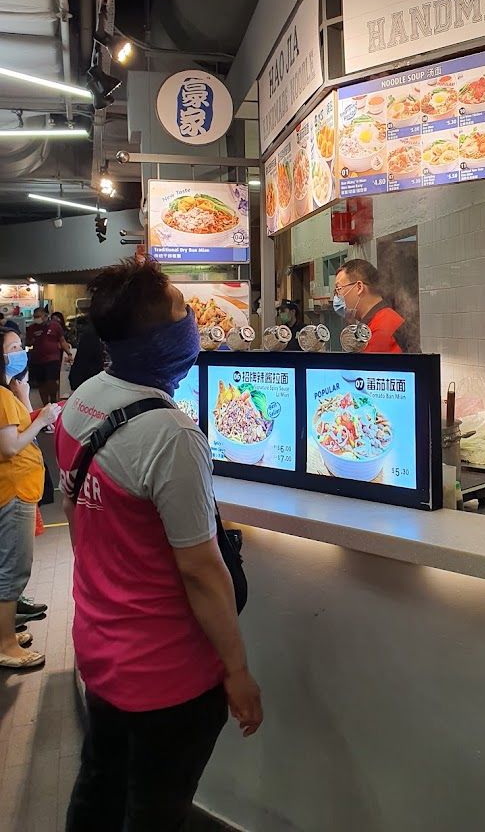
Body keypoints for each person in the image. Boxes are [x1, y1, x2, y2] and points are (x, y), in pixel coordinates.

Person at [56, 258, 263, 830]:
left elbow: (77, 515)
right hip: (166, 674)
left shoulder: (84, 400)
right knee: (155, 812)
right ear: (161, 337)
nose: (192, 317)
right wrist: (238, 670)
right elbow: (202, 570)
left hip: (99, 646)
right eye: (181, 309)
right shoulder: (171, 435)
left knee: (98, 785)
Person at [0, 327, 59, 669]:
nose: (21, 351)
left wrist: (23, 396)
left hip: (18, 490)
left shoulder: (10, 392)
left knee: (8, 567)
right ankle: (7, 644)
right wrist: (45, 419)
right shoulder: (2, 396)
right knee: (13, 569)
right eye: (13, 347)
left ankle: (4, 631)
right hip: (14, 492)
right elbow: (10, 446)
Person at [333, 260, 420, 353]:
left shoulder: (381, 331)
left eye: (339, 289)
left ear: (359, 287)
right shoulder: (380, 321)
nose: (337, 296)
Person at [27, 306, 72, 406]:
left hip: (52, 359)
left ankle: (53, 400)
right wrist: (31, 340)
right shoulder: (31, 328)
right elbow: (28, 342)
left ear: (45, 316)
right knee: (41, 384)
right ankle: (45, 405)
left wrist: (69, 353)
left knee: (51, 381)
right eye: (35, 316)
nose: (36, 318)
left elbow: (62, 341)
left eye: (38, 316)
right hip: (37, 360)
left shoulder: (55, 326)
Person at [68, 317, 106, 391]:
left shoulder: (90, 334)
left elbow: (80, 362)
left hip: (91, 382)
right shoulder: (93, 335)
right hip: (99, 381)